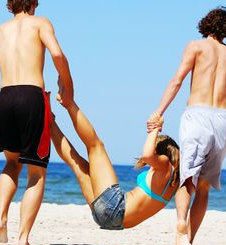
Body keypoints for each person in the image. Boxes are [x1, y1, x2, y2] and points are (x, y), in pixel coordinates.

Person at [0, 0, 74, 245]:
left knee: (11, 163)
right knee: (37, 172)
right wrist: (67, 83)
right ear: (33, 4)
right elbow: (57, 52)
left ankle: (1, 218)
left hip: (2, 100)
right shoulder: (40, 23)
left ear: (9, 5)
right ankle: (22, 239)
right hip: (30, 97)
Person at [147, 6, 226, 245]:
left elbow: (177, 81)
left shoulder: (196, 46)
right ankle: (190, 240)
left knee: (188, 178)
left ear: (205, 24)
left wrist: (159, 111)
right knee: (205, 185)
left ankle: (180, 227)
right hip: (224, 120)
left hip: (198, 115)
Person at [50, 97, 180, 230]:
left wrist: (155, 128)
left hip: (116, 207)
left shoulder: (165, 165)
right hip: (111, 221)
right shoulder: (174, 182)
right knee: (78, 165)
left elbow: (147, 155)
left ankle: (69, 103)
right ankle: (49, 121)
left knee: (95, 146)